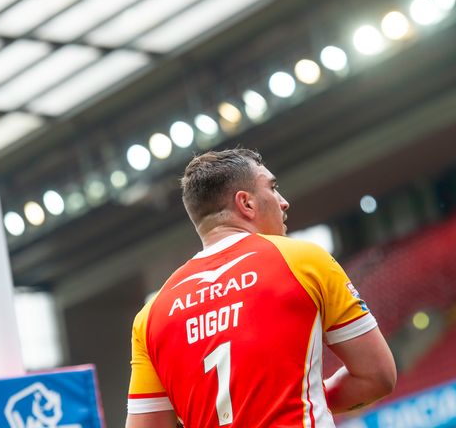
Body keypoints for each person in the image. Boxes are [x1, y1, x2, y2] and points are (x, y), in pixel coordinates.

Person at [126, 149, 396, 427]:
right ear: (246, 203)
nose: (284, 202)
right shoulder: (303, 261)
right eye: (273, 188)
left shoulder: (150, 317)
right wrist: (296, 399)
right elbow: (377, 376)